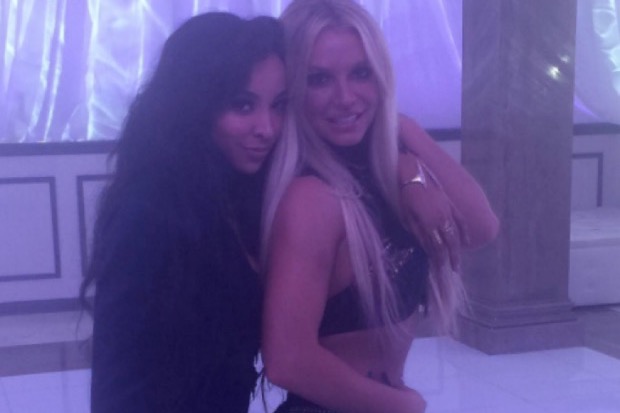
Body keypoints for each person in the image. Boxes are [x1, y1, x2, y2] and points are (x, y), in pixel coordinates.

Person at [260, 0, 499, 412]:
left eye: (361, 73)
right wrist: (404, 407)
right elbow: (287, 360)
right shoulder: (310, 199)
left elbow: (481, 227)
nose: (345, 97)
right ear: (293, 88)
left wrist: (406, 142)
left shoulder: (385, 174)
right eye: (319, 79)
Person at [80, 12, 287, 412]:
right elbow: (117, 376)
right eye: (243, 105)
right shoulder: (150, 208)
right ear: (195, 106)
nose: (267, 127)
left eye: (278, 106)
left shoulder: (236, 193)